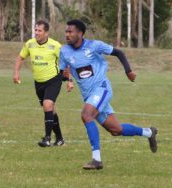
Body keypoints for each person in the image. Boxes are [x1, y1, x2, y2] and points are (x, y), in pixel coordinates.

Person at [59, 19, 158, 170]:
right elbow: (63, 73)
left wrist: (128, 71)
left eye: (70, 31)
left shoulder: (94, 45)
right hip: (89, 96)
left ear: (80, 33)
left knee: (86, 115)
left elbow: (118, 52)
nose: (67, 34)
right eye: (66, 31)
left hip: (102, 89)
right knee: (116, 130)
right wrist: (66, 77)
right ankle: (149, 133)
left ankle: (96, 159)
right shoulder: (64, 51)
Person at [14, 20, 72, 147]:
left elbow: (67, 62)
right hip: (38, 82)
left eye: (39, 30)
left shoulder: (55, 45)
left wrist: (70, 81)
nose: (36, 33)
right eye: (35, 30)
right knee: (51, 110)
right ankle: (60, 139)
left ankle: (47, 138)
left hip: (54, 79)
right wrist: (16, 73)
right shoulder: (30, 44)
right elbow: (20, 57)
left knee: (47, 105)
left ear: (46, 32)